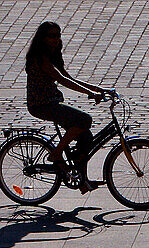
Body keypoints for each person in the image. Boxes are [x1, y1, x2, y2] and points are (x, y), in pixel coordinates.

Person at [25, 21, 110, 194]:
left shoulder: (53, 54)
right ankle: (56, 153)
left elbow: (69, 78)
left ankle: (82, 181)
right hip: (41, 104)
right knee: (85, 120)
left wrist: (99, 89)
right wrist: (91, 94)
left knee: (86, 138)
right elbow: (62, 81)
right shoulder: (40, 57)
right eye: (51, 36)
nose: (56, 39)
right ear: (42, 38)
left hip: (52, 102)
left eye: (58, 35)